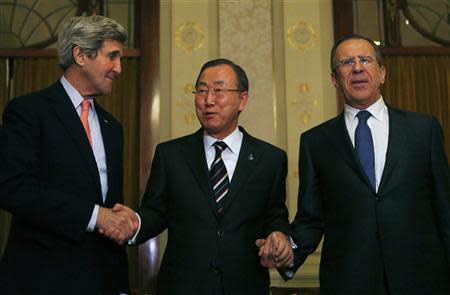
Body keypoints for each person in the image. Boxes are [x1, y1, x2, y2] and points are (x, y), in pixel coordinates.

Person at [272, 34, 450, 295]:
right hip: (349, 282)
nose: (357, 68)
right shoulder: (316, 142)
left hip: (422, 279)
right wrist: (287, 254)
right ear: (334, 80)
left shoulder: (423, 130)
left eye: (365, 60)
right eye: (346, 63)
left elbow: (444, 208)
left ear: (382, 73)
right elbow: (311, 218)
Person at [121, 58, 292, 294]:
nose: (208, 100)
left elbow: (275, 215)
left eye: (219, 91)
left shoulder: (270, 159)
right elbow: (155, 212)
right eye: (201, 91)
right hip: (182, 287)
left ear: (242, 99)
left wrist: (278, 236)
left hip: (245, 287)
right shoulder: (170, 155)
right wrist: (133, 224)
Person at [0, 15, 138, 294]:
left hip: (102, 280)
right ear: (80, 55)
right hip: (42, 280)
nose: (118, 68)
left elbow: (109, 207)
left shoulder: (113, 127)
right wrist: (94, 216)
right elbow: (11, 187)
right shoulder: (29, 112)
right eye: (112, 56)